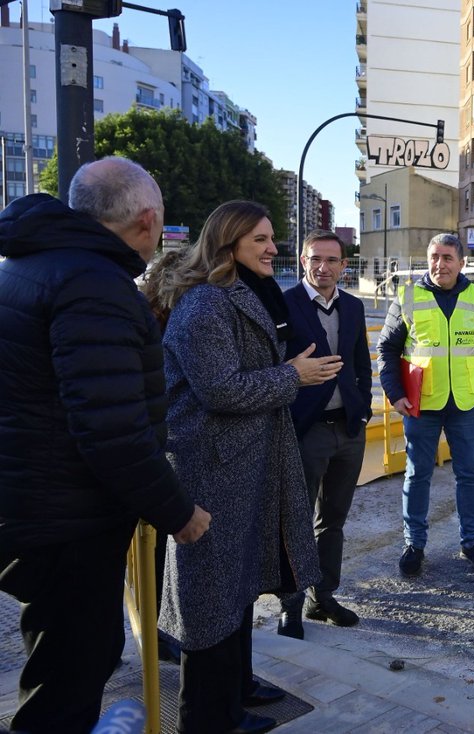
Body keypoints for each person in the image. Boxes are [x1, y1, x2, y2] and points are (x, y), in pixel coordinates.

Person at [0, 158, 210, 734]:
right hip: (67, 519)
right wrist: (178, 513)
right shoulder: (95, 287)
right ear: (147, 220)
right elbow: (113, 430)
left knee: (56, 660)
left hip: (30, 504)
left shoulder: (27, 264)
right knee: (72, 674)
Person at [145, 200, 336, 734]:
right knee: (209, 603)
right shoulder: (206, 305)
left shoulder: (233, 295)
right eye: (261, 239)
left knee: (234, 592)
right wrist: (293, 375)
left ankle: (232, 700)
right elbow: (220, 389)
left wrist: (292, 373)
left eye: (272, 238)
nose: (273, 248)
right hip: (211, 472)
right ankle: (207, 720)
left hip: (240, 467)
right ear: (228, 243)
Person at [378, 233, 474, 578]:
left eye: (447, 257)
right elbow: (387, 349)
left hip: (466, 402)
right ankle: (414, 545)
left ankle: (471, 542)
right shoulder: (408, 297)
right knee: (417, 474)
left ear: (462, 263)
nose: (439, 264)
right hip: (422, 403)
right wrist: (394, 392)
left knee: (469, 474)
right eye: (434, 257)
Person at [276, 229, 374, 639]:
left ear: (343, 266)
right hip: (305, 431)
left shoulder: (352, 307)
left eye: (332, 260)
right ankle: (291, 605)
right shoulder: (283, 304)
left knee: (332, 520)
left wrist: (363, 410)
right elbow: (275, 365)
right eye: (316, 258)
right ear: (303, 260)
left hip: (348, 432)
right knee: (295, 520)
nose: (324, 267)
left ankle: (323, 597)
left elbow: (362, 364)